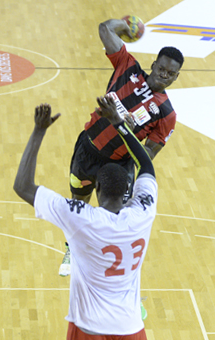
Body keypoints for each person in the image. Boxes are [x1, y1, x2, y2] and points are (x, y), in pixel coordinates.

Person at [14, 95, 157, 340]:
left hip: (88, 327)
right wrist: (120, 124)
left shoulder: (80, 218)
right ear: (128, 190)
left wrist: (39, 131)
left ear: (97, 188)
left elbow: (23, 186)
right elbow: (146, 165)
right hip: (130, 327)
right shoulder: (144, 212)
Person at [61, 17, 184, 276]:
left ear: (176, 77)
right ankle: (73, 247)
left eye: (171, 74)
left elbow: (147, 154)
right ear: (153, 64)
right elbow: (104, 29)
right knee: (78, 202)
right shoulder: (127, 66)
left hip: (118, 166)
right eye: (162, 69)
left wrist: (123, 127)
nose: (165, 75)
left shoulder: (166, 113)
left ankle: (125, 279)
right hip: (88, 149)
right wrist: (127, 24)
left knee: (119, 223)